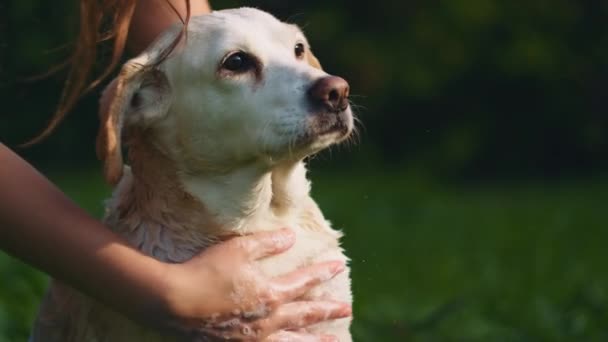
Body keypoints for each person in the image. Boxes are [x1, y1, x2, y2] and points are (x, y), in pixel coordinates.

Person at [0, 0, 351, 340]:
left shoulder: (315, 247)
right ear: (143, 102)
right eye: (239, 62)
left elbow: (187, 40)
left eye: (298, 50)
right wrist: (160, 290)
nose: (324, 82)